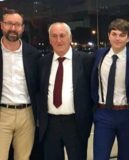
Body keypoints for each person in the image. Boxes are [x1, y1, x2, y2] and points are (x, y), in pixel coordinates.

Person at [38, 22, 94, 160]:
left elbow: (93, 91)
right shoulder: (42, 62)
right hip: (50, 125)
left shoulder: (86, 60)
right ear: (50, 39)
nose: (58, 40)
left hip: (75, 124)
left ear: (70, 38)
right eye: (54, 36)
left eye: (62, 36)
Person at [90, 18, 129, 160]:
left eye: (122, 35)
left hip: (127, 115)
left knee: (125, 157)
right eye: (114, 34)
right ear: (108, 36)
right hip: (103, 114)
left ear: (128, 38)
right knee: (100, 157)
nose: (117, 38)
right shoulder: (99, 55)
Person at [0, 8, 40, 160]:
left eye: (17, 24)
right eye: (9, 23)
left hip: (27, 115)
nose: (13, 28)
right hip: (2, 114)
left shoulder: (33, 54)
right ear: (2, 25)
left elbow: (38, 87)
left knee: (23, 157)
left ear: (22, 28)